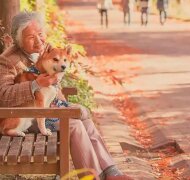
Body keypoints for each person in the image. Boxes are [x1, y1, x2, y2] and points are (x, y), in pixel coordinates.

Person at [0, 11, 132, 180]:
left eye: (40, 34)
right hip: (27, 116)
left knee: (84, 119)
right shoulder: (7, 60)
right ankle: (93, 177)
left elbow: (54, 86)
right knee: (74, 125)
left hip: (51, 108)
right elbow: (4, 96)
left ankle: (111, 172)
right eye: (31, 37)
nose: (39, 40)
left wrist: (65, 105)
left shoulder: (48, 50)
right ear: (19, 39)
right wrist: (35, 84)